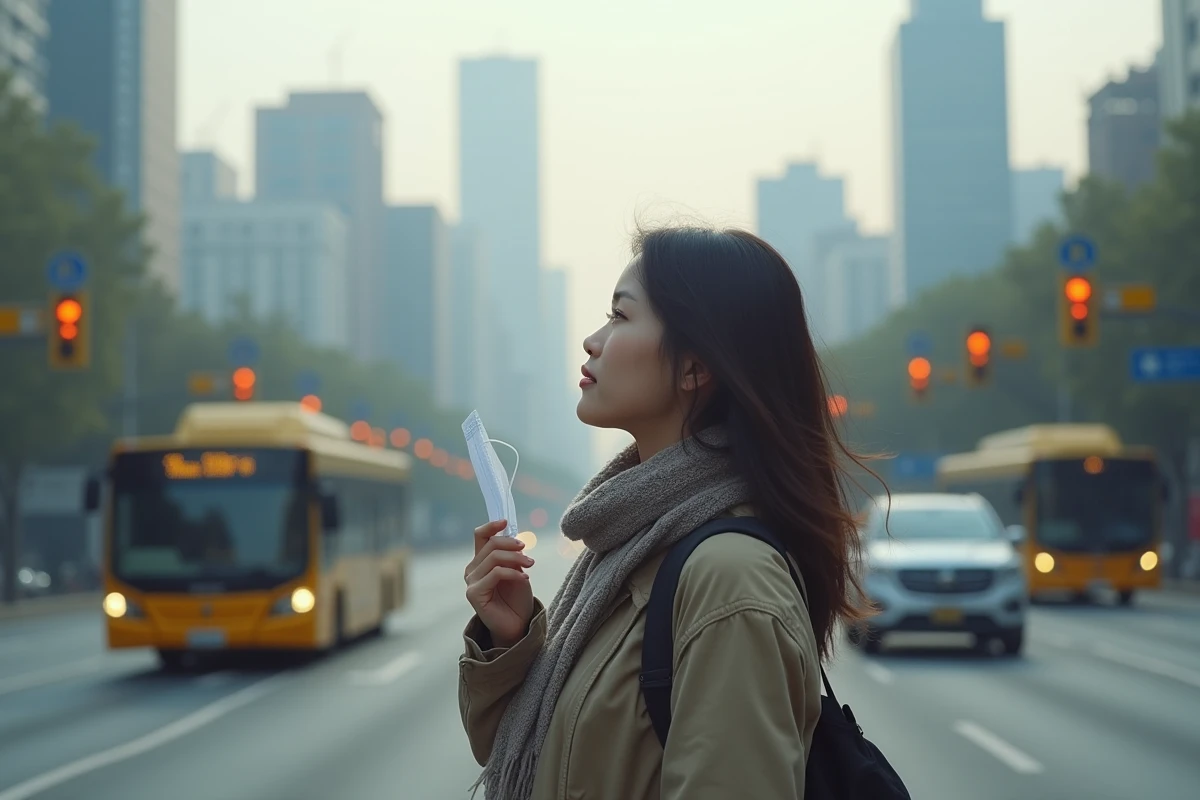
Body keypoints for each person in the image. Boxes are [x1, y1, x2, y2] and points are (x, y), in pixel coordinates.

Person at [460, 225, 875, 800]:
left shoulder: (729, 579)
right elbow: (547, 762)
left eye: (620, 317)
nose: (592, 340)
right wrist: (511, 643)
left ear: (694, 368)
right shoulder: (632, 549)